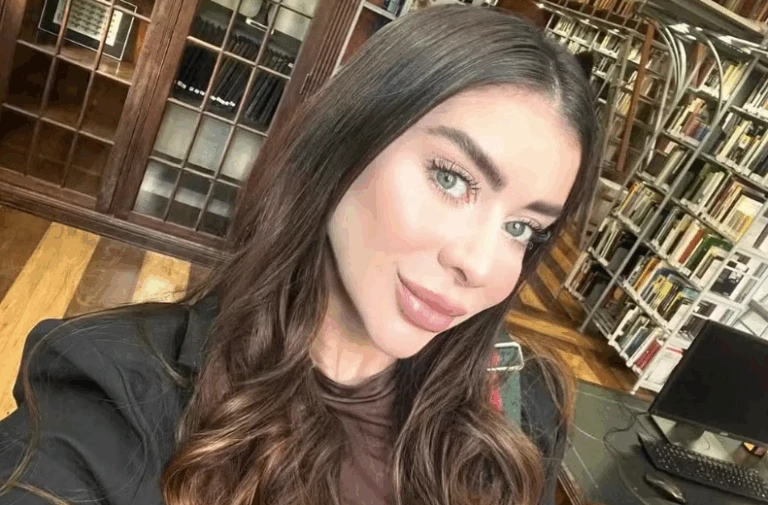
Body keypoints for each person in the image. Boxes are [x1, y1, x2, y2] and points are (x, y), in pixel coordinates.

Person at [0, 5, 598, 505]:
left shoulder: (520, 411)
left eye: (522, 228)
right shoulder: (114, 394)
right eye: (450, 178)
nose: (482, 264)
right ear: (346, 142)